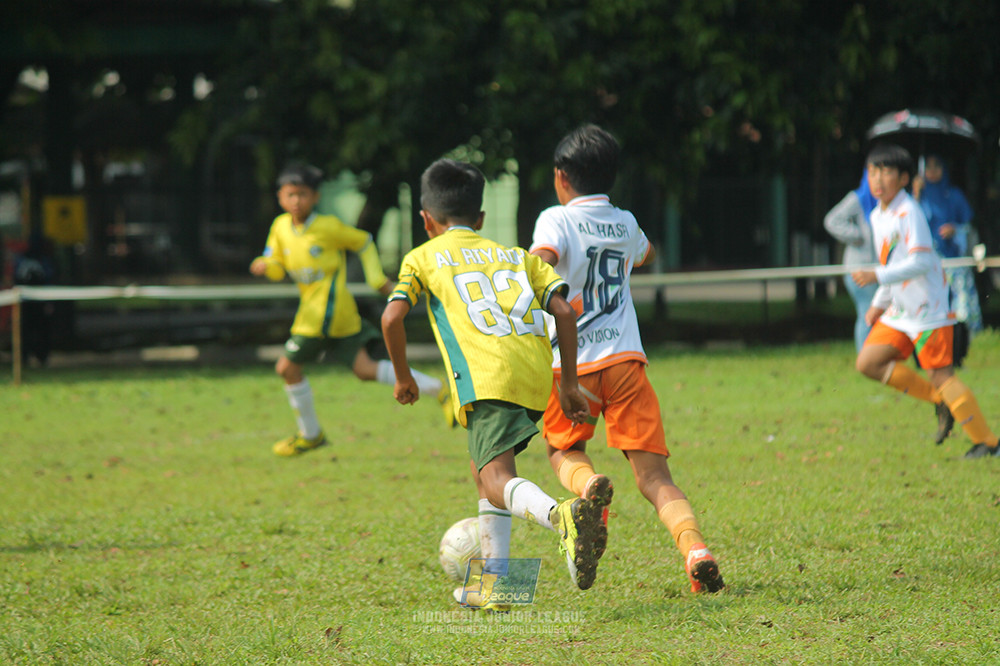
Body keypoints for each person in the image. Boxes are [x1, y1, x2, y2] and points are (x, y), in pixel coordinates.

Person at [381, 158, 607, 609]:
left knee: (497, 476)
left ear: (426, 219)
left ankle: (561, 515)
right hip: (534, 371)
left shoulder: (422, 256)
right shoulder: (516, 255)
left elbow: (392, 316)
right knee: (485, 472)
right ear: (480, 219)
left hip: (486, 376)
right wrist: (568, 386)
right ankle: (496, 586)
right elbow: (564, 312)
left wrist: (404, 378)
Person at [529, 124, 725, 594]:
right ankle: (695, 549)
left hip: (570, 366)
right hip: (625, 362)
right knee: (656, 476)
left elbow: (540, 260)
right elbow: (646, 253)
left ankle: (590, 482)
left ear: (561, 177)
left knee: (562, 450)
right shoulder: (626, 222)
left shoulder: (555, 218)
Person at [251, 163, 451, 457]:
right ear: (280, 197)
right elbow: (277, 267)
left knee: (287, 368)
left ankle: (311, 435)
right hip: (324, 315)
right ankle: (439, 389)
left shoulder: (327, 227)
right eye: (290, 194)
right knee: (364, 370)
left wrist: (375, 279)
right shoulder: (280, 227)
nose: (296, 201)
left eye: (303, 194)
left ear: (315, 197)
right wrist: (265, 266)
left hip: (323, 315)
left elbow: (364, 241)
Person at [852, 143, 998, 459]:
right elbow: (893, 261)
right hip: (899, 310)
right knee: (868, 363)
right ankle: (939, 400)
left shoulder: (910, 211)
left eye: (886, 172)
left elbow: (920, 261)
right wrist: (881, 299)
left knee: (942, 375)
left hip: (928, 311)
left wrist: (877, 276)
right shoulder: (878, 214)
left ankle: (988, 443)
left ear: (904, 178)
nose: (877, 179)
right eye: (873, 171)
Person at [911, 153, 983, 366]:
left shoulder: (954, 195)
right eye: (928, 167)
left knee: (960, 310)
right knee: (929, 309)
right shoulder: (917, 198)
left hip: (955, 262)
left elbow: (969, 228)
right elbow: (909, 224)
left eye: (936, 166)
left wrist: (955, 230)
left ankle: (958, 355)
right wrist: (914, 195)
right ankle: (926, 356)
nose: (932, 172)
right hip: (928, 265)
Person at [824, 169, 879, 352]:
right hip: (859, 268)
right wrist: (857, 236)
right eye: (874, 173)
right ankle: (865, 358)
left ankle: (874, 357)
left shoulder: (889, 202)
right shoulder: (858, 198)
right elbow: (832, 221)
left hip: (877, 269)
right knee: (866, 312)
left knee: (876, 313)